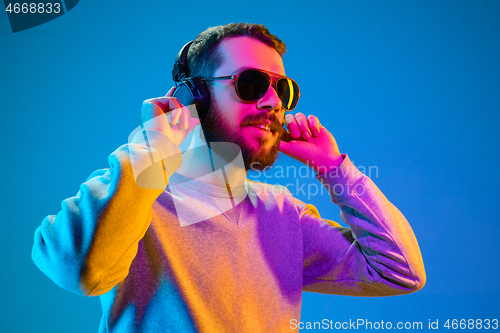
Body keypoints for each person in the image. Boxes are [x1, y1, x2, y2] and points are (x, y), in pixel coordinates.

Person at [32, 23, 426, 332]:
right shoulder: (136, 194)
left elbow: (400, 272)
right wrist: (152, 153)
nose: (272, 102)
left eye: (282, 90)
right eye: (251, 84)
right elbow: (79, 270)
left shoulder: (283, 214)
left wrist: (335, 169)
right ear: (193, 96)